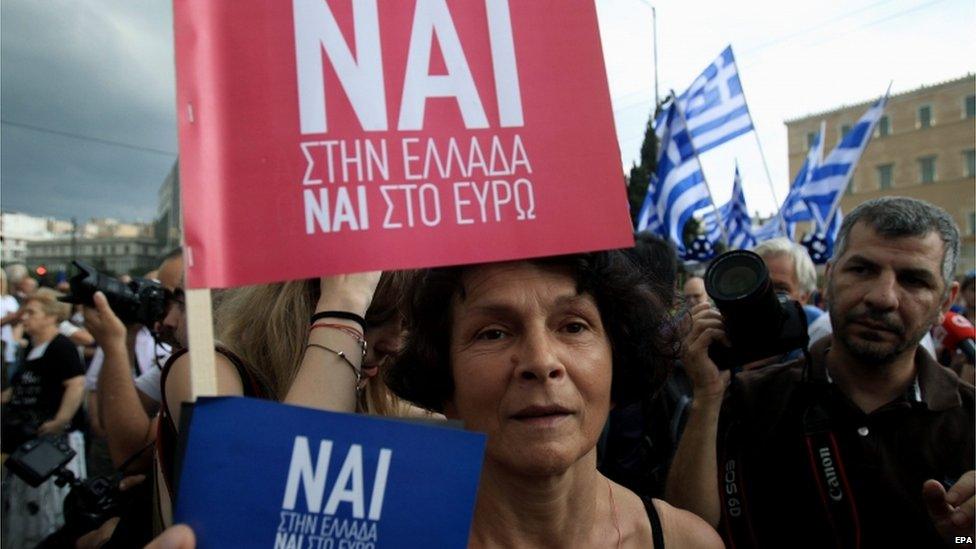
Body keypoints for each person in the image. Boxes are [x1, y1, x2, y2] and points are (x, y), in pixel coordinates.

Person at [667, 196, 975, 547]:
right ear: (829, 279)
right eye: (862, 270)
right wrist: (707, 399)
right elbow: (686, 534)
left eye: (913, 280)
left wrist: (965, 538)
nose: (883, 297)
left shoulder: (970, 419)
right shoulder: (745, 400)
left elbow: (965, 540)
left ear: (946, 303)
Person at [379, 252, 721, 547]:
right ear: (444, 379)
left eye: (573, 327)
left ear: (617, 363)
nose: (541, 362)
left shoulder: (688, 543)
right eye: (493, 333)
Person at [0, 288, 87, 548]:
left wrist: (60, 420)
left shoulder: (61, 346)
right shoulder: (34, 350)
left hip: (51, 447)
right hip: (28, 442)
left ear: (51, 316)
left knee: (47, 509)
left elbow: (76, 383)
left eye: (32, 313)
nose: (24, 318)